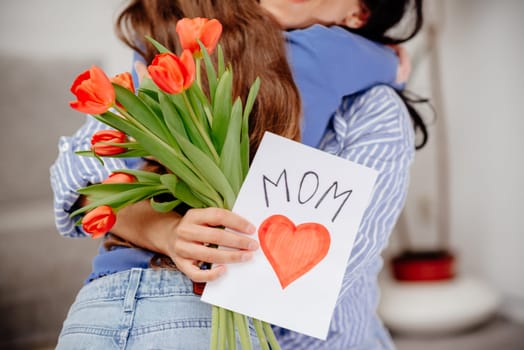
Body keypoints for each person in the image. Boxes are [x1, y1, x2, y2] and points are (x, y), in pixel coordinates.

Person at [52, 0, 427, 349]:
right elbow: (79, 176)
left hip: (204, 318)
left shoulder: (371, 106)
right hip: (107, 301)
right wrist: (166, 232)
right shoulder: (180, 53)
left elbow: (315, 282)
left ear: (357, 14)